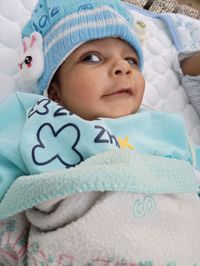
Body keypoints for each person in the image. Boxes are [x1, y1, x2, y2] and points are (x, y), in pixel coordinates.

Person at [0, 0, 200, 264]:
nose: (123, 68)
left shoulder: (162, 125)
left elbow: (190, 177)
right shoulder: (38, 118)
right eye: (92, 58)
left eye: (131, 60)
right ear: (55, 91)